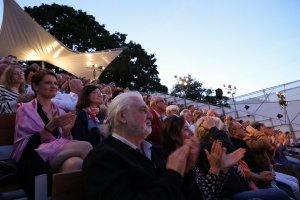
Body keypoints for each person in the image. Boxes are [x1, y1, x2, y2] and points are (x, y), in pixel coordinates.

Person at [83, 91, 200, 200]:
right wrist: (173, 174)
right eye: (143, 110)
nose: (151, 116)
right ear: (122, 116)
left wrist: (186, 171)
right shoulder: (102, 158)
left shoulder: (156, 150)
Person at [11, 69, 92, 199]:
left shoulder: (59, 111)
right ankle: (100, 188)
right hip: (33, 158)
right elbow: (26, 145)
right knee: (86, 146)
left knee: (75, 163)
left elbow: (65, 141)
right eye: (48, 83)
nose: (53, 86)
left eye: (55, 83)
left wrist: (66, 130)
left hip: (54, 155)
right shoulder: (25, 109)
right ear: (36, 86)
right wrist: (50, 126)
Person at [161, 115, 246, 200]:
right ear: (173, 135)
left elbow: (214, 191)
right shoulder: (173, 163)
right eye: (186, 129)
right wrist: (214, 168)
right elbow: (203, 197)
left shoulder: (189, 157)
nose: (191, 132)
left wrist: (223, 168)